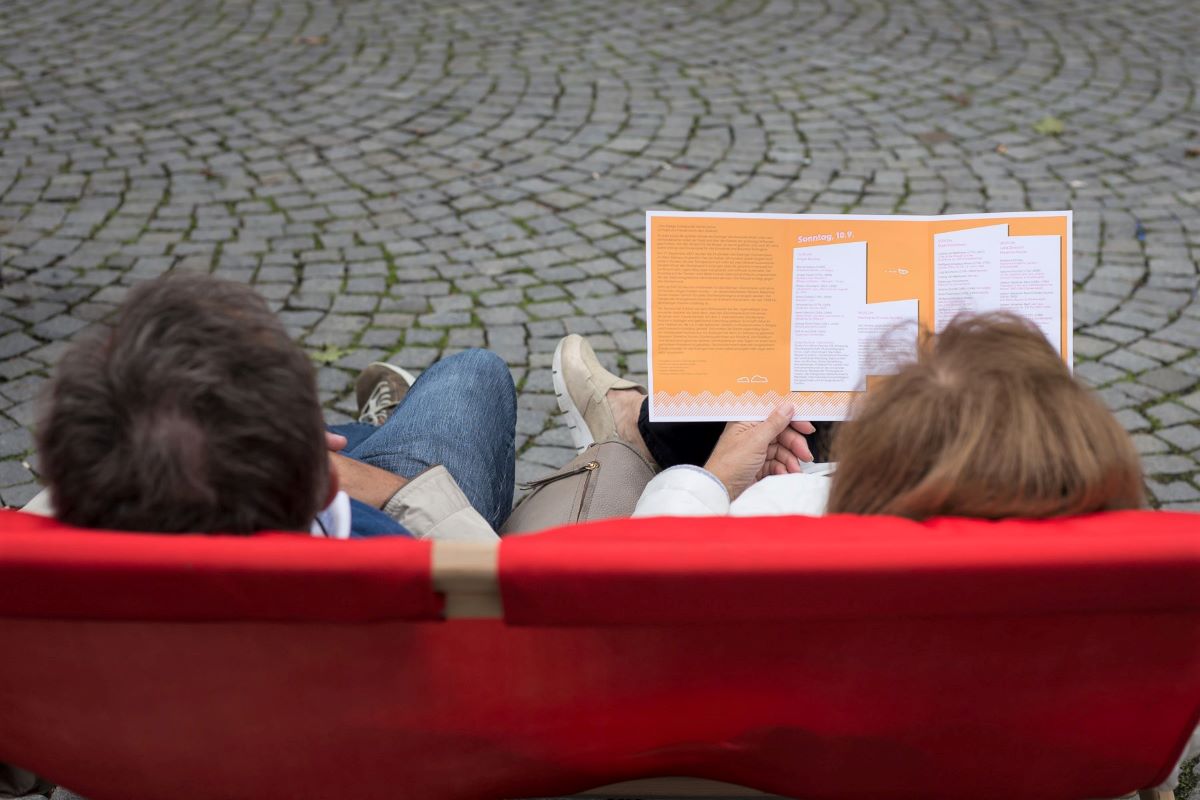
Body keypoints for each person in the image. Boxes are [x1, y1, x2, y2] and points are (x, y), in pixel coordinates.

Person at [34, 273, 514, 540]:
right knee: (471, 373)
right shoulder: (378, 550)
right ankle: (369, 435)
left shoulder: (36, 570)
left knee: (358, 437)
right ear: (322, 487)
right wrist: (337, 473)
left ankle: (375, 430)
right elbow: (477, 563)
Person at [552, 312, 1144, 519]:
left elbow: (647, 580)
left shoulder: (789, 510)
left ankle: (633, 427)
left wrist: (717, 475)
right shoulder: (1138, 564)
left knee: (804, 417)